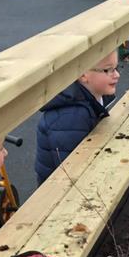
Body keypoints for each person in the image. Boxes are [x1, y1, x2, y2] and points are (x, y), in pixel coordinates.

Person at [34, 50, 120, 184]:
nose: (117, 75)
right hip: (59, 193)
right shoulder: (70, 117)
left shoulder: (96, 96)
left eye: (116, 68)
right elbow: (72, 172)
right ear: (83, 74)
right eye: (108, 70)